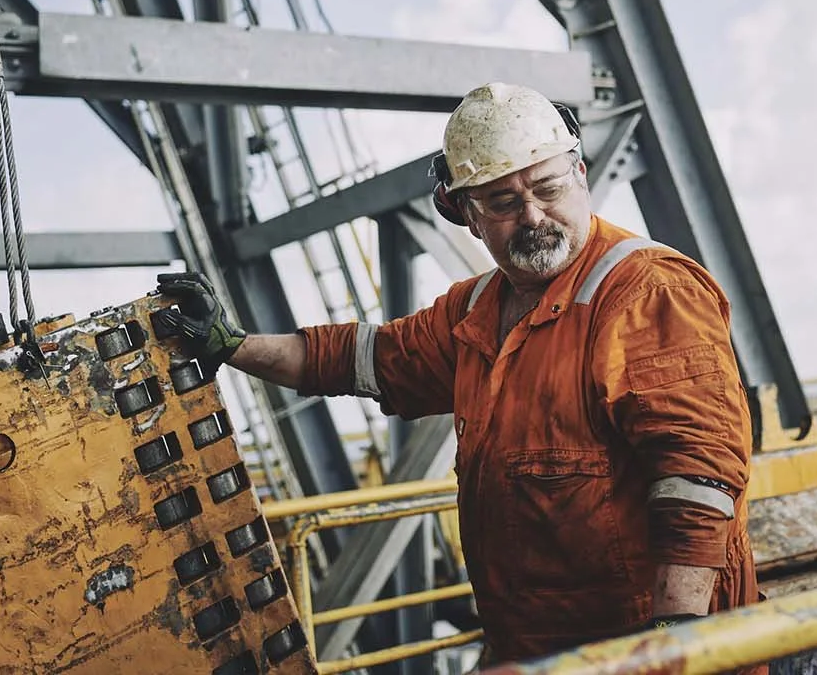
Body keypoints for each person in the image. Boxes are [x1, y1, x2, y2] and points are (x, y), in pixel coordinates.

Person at [154, 82, 762, 666]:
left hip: (638, 648)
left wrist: (675, 639)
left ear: (580, 175)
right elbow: (362, 358)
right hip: (538, 648)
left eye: (548, 188)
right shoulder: (476, 312)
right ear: (465, 214)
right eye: (503, 202)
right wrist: (231, 345)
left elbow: (696, 474)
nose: (532, 216)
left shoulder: (648, 292)